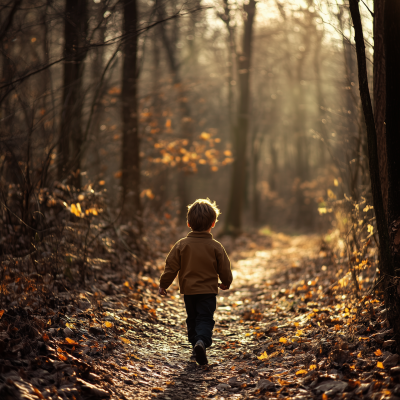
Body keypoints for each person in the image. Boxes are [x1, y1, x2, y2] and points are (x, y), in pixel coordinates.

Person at [158, 198, 233, 365]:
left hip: (189, 292)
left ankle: (195, 344)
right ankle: (202, 342)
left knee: (192, 318)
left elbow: (171, 267)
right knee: (205, 318)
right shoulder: (216, 246)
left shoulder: (181, 245)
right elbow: (225, 267)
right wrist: (226, 281)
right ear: (213, 223)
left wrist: (164, 284)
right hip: (208, 291)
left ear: (188, 223)